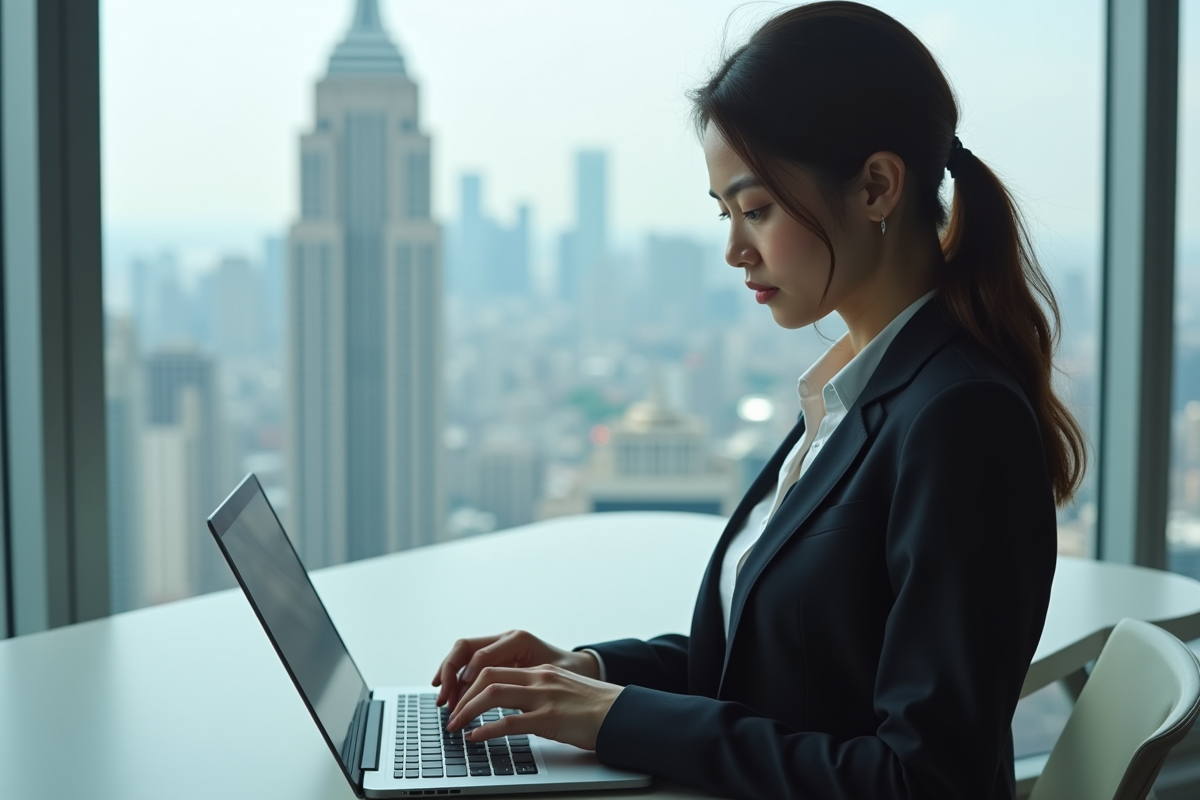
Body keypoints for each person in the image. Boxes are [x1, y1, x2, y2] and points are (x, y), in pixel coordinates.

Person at [433, 2, 1088, 798]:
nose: (734, 249)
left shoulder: (958, 418)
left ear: (877, 186)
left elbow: (921, 780)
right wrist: (591, 675)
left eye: (757, 209)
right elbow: (784, 660)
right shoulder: (861, 387)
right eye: (726, 213)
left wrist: (613, 717)